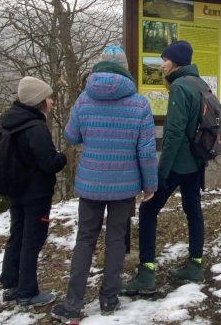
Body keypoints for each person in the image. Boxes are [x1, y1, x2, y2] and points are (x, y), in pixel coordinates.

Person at [51, 45, 158, 322]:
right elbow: (146, 151)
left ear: (99, 67)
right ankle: (109, 300)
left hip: (91, 183)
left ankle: (72, 305)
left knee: (85, 240)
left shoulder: (84, 100)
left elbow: (72, 136)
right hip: (124, 185)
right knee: (115, 241)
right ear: (125, 68)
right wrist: (150, 184)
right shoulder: (138, 103)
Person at [120, 40, 207, 296]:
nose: (162, 64)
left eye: (165, 60)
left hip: (179, 162)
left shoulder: (180, 86)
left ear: (177, 61)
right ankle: (195, 264)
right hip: (196, 161)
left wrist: (160, 172)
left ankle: (146, 274)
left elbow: (174, 133)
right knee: (193, 209)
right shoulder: (200, 84)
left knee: (148, 210)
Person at [0, 76, 67, 307]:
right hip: (35, 193)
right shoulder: (36, 128)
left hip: (16, 189)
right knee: (32, 240)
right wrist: (61, 158)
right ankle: (28, 291)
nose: (52, 102)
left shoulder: (11, 121)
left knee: (17, 235)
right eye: (49, 97)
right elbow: (48, 163)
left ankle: (11, 284)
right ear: (39, 100)